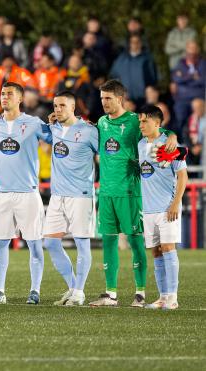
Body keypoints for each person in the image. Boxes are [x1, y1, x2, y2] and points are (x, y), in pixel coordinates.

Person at [88, 80, 177, 308]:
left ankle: (140, 293)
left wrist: (172, 135)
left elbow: (157, 129)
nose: (104, 103)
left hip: (130, 192)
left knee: (137, 243)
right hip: (106, 192)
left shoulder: (134, 121)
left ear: (120, 98)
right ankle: (111, 294)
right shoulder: (101, 122)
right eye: (102, 99)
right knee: (108, 242)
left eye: (108, 98)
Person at [0, 82, 52, 305]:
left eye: (9, 94)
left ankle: (35, 290)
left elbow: (56, 139)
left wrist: (60, 123)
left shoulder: (32, 123)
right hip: (3, 193)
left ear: (20, 99)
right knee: (0, 243)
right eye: (2, 94)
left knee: (34, 243)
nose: (4, 97)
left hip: (28, 193)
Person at [42, 91, 99, 306]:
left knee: (82, 244)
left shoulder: (89, 130)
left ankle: (80, 292)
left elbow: (105, 153)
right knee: (50, 242)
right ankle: (73, 286)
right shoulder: (54, 129)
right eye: (55, 106)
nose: (58, 109)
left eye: (62, 106)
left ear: (73, 107)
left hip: (81, 195)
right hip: (58, 195)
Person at [137, 105, 187, 310]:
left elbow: (182, 175)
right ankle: (162, 296)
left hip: (167, 207)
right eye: (140, 121)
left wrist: (175, 203)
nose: (141, 125)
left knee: (168, 248)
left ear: (157, 123)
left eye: (145, 121)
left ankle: (173, 298)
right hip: (148, 209)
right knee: (156, 252)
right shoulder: (140, 145)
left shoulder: (168, 145)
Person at [110, 35, 157, 108]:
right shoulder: (121, 59)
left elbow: (153, 78)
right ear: (129, 44)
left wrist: (151, 89)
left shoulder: (147, 59)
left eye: (137, 42)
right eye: (133, 42)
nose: (135, 44)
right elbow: (114, 76)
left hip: (144, 99)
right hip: (127, 99)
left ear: (141, 43)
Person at [171, 40, 206, 131]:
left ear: (198, 50)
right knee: (179, 117)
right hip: (182, 99)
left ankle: (198, 142)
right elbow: (176, 79)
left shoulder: (202, 63)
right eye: (190, 48)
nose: (192, 51)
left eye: (194, 48)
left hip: (198, 97)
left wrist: (184, 78)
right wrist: (192, 76)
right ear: (186, 50)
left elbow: (202, 81)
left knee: (199, 121)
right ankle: (181, 141)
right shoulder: (180, 63)